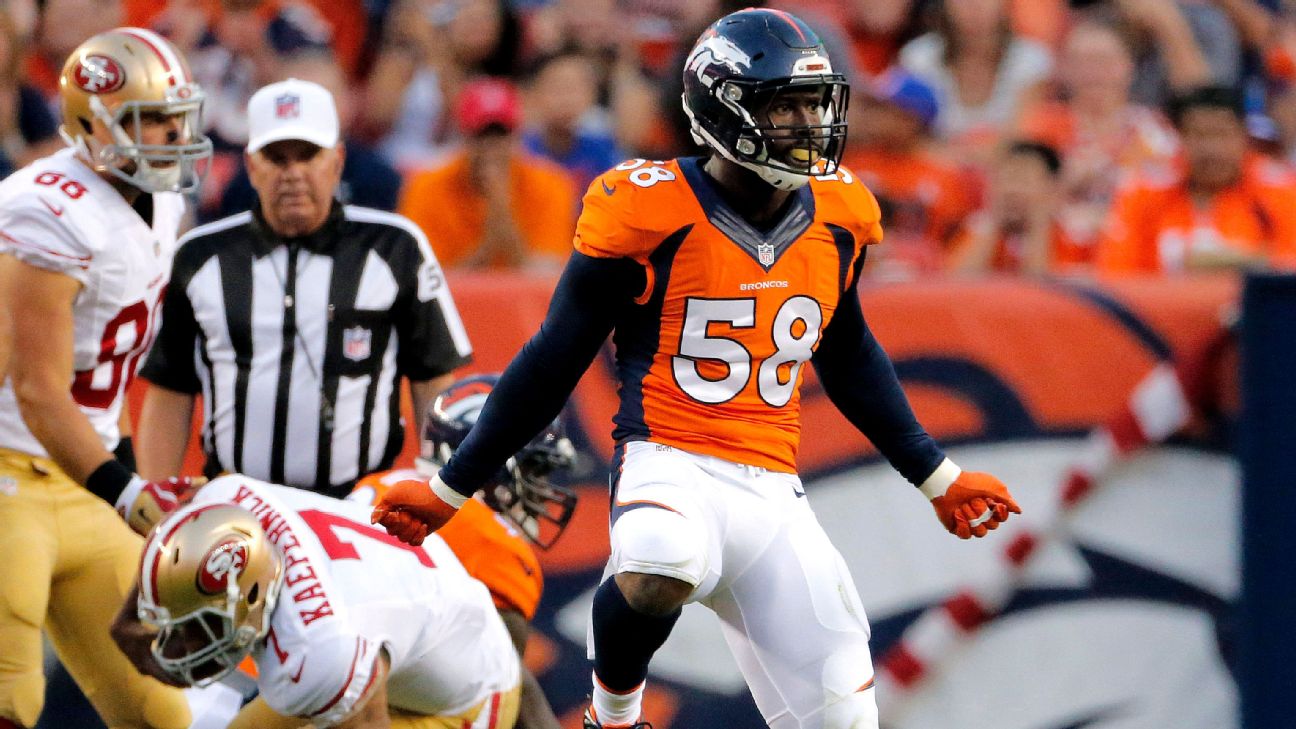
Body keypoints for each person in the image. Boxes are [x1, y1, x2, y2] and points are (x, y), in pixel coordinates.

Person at [369, 9, 1022, 729]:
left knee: (844, 717)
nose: (809, 124)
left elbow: (849, 351)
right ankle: (613, 715)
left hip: (774, 488)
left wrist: (937, 475)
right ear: (724, 109)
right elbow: (552, 359)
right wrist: (452, 485)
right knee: (660, 556)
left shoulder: (841, 210)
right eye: (786, 106)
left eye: (816, 104)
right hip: (669, 457)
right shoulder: (650, 207)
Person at [0, 27, 211, 729]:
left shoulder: (165, 203)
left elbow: (106, 378)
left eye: (176, 115)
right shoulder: (46, 208)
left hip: (83, 477)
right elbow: (35, 388)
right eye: (150, 119)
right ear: (91, 124)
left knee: (159, 715)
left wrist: (124, 476)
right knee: (10, 699)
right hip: (9, 479)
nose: (171, 133)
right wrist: (127, 491)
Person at [136, 77, 472, 496]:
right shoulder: (200, 256)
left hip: (360, 507)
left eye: (307, 155)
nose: (292, 173)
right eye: (276, 158)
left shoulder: (394, 247)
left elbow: (434, 382)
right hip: (238, 504)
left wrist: (440, 493)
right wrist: (156, 501)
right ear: (252, 166)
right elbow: (170, 391)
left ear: (336, 160)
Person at [110, 475, 524, 729]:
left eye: (199, 628)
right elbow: (178, 526)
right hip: (391, 620)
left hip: (468, 698)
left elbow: (365, 714)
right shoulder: (221, 500)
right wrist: (128, 619)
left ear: (252, 596)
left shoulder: (317, 651)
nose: (182, 644)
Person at [349, 374, 577, 729]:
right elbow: (509, 688)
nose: (542, 488)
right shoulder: (487, 536)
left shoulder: (380, 484)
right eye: (536, 470)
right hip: (357, 696)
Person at [1097, 85, 1296, 274]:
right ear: (1179, 138)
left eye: (1221, 134)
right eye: (1198, 135)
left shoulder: (1282, 191)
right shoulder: (1143, 193)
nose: (1211, 148)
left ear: (1244, 137)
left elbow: (1289, 269)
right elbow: (1117, 274)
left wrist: (1225, 263)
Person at [397, 77, 578, 271]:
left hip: (525, 301)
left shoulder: (550, 185)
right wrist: (487, 246)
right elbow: (424, 282)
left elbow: (547, 278)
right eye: (481, 136)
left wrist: (502, 215)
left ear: (516, 137)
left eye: (501, 135)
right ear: (464, 137)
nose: (491, 147)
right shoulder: (427, 187)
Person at [947, 141, 1090, 276]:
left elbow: (1044, 293)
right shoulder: (976, 230)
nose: (1012, 190)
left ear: (1053, 188)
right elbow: (957, 286)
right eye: (1006, 178)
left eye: (1024, 180)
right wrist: (994, 223)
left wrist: (1039, 226)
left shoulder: (1074, 238)